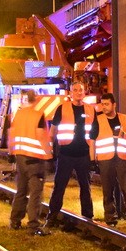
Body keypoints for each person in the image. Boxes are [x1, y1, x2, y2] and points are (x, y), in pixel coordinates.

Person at [45, 81, 96, 227]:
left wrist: (93, 158)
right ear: (71, 92)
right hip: (66, 154)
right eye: (75, 90)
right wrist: (50, 153)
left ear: (85, 92)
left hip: (83, 154)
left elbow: (93, 136)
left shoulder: (91, 110)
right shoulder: (62, 108)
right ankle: (52, 216)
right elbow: (52, 132)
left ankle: (88, 217)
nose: (79, 92)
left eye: (81, 90)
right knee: (59, 186)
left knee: (86, 187)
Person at [94, 92, 126, 228]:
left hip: (122, 159)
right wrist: (93, 159)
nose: (104, 107)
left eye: (106, 104)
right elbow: (92, 140)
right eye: (102, 104)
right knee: (107, 190)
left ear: (113, 105)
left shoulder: (123, 118)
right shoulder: (98, 120)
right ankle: (110, 219)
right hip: (105, 160)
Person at [8, 89, 52, 235]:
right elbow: (41, 136)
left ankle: (15, 221)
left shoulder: (18, 114)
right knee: (35, 192)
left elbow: (11, 133)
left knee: (21, 190)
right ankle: (33, 224)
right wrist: (49, 155)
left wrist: (11, 152)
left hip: (20, 157)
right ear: (36, 99)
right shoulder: (38, 115)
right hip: (35, 159)